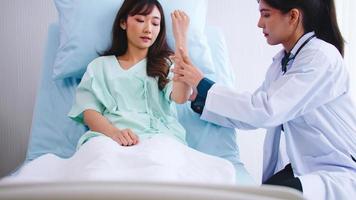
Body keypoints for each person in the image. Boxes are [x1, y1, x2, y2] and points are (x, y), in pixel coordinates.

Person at [172, 0, 356, 199]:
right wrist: (197, 96)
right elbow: (250, 115)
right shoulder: (282, 63)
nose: (259, 23)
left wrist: (202, 82)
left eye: (266, 14)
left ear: (293, 16)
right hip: (304, 169)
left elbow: (266, 111)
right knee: (258, 195)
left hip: (338, 171)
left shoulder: (321, 56)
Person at [68, 0, 192, 147]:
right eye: (140, 20)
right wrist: (114, 133)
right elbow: (89, 111)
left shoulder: (166, 65)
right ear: (123, 23)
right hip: (110, 139)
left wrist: (181, 40)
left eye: (155, 23)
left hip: (158, 138)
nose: (148, 29)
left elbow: (181, 97)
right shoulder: (99, 66)